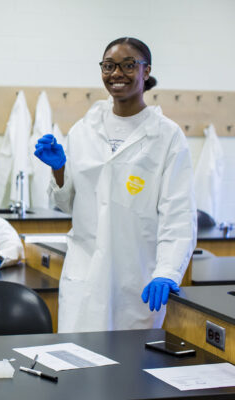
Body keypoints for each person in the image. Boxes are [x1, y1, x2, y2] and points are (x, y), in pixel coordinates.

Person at [34, 37, 196, 333]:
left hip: (136, 278)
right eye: (109, 66)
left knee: (131, 369)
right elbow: (69, 203)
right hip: (85, 272)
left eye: (128, 65)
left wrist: (167, 271)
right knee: (77, 364)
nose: (116, 73)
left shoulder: (167, 136)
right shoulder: (84, 130)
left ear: (146, 72)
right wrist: (59, 169)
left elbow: (179, 214)